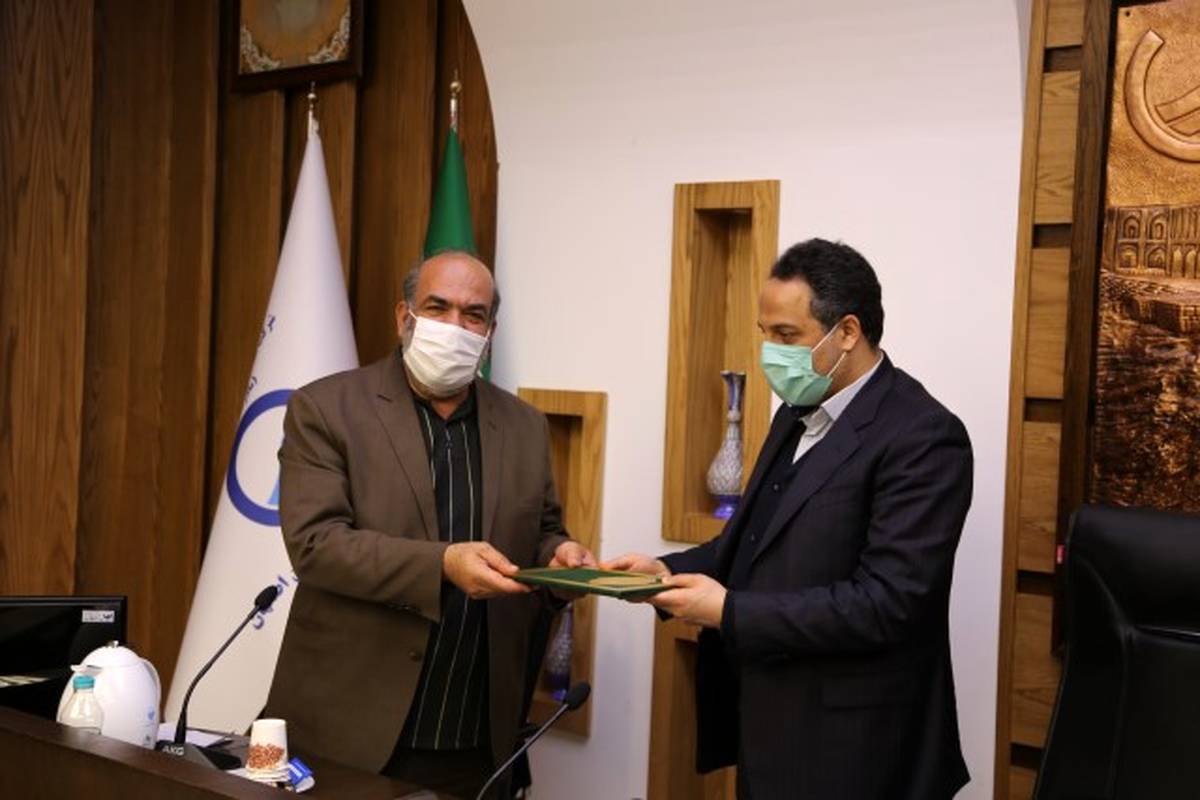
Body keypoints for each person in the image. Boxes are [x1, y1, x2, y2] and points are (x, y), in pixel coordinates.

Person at [607, 238, 973, 799]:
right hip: (771, 730)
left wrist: (729, 611)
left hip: (861, 750)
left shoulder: (924, 436)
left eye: (786, 336)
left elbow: (886, 603)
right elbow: (753, 542)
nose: (770, 354)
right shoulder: (796, 413)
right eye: (765, 334)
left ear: (846, 332)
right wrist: (664, 570)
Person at [265, 250, 594, 798]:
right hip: (352, 729)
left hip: (474, 733)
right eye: (438, 308)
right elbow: (316, 544)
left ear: (490, 332)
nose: (455, 327)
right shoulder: (326, 408)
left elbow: (541, 532)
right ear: (405, 317)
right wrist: (442, 563)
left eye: (473, 315)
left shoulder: (525, 425)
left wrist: (560, 558)